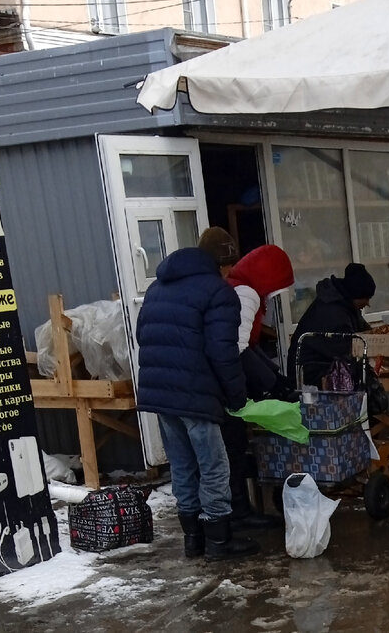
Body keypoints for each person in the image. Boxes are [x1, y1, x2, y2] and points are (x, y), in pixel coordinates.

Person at [135, 227, 257, 560]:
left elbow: (141, 335)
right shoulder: (218, 293)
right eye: (229, 265)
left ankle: (193, 540)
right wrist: (236, 396)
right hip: (197, 393)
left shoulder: (157, 288)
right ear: (221, 263)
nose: (231, 272)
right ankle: (219, 541)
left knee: (183, 465)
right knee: (214, 466)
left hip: (161, 394)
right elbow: (223, 351)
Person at [222, 244, 296, 530]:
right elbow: (238, 349)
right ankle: (238, 511)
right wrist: (273, 385)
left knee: (233, 446)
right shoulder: (246, 294)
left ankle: (238, 507)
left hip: (222, 378)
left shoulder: (238, 287)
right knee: (234, 446)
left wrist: (275, 377)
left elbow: (249, 346)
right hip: (226, 382)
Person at [288, 263, 376, 391]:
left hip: (322, 365)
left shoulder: (345, 303)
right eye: (366, 298)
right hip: (311, 373)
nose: (368, 304)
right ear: (355, 295)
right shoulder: (333, 312)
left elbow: (364, 329)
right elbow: (346, 349)